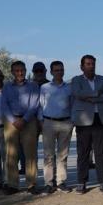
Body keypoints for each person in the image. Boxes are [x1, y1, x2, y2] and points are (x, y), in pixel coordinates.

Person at [71, 54, 103, 194]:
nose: (91, 66)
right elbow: (78, 93)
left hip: (100, 119)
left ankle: (102, 181)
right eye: (88, 64)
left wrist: (91, 98)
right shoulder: (76, 80)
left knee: (100, 153)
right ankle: (81, 182)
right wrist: (97, 94)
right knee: (83, 153)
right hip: (83, 121)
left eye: (93, 64)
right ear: (82, 66)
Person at [1, 60, 41, 195]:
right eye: (17, 71)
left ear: (26, 70)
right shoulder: (6, 87)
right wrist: (14, 120)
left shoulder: (33, 85)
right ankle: (12, 184)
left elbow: (35, 105)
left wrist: (24, 120)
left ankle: (31, 184)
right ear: (12, 72)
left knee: (30, 153)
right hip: (11, 122)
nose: (20, 73)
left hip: (28, 121)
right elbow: (4, 105)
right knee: (11, 154)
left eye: (22, 70)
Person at [40, 60, 73, 194]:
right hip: (49, 122)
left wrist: (72, 121)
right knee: (48, 155)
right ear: (52, 71)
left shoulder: (69, 87)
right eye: (56, 70)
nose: (59, 72)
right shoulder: (45, 87)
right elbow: (40, 105)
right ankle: (48, 183)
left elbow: (73, 104)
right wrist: (41, 121)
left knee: (63, 155)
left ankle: (61, 182)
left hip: (66, 123)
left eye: (61, 69)